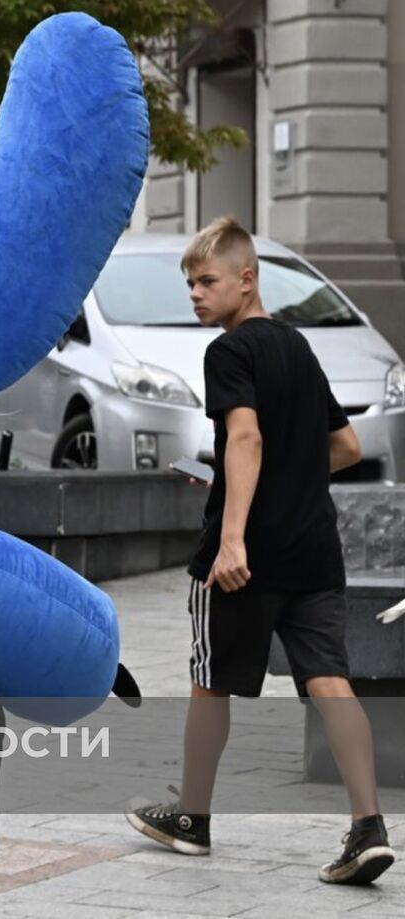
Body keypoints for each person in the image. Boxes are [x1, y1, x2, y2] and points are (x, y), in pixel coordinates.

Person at [125, 216, 396, 885]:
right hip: (316, 551)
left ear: (248, 280)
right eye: (190, 281)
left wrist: (234, 536)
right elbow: (346, 447)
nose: (195, 292)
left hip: (247, 558)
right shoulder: (300, 350)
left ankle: (192, 817)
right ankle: (368, 826)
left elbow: (244, 439)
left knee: (209, 678)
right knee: (330, 679)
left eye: (207, 280)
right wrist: (293, 480)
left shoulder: (231, 352)